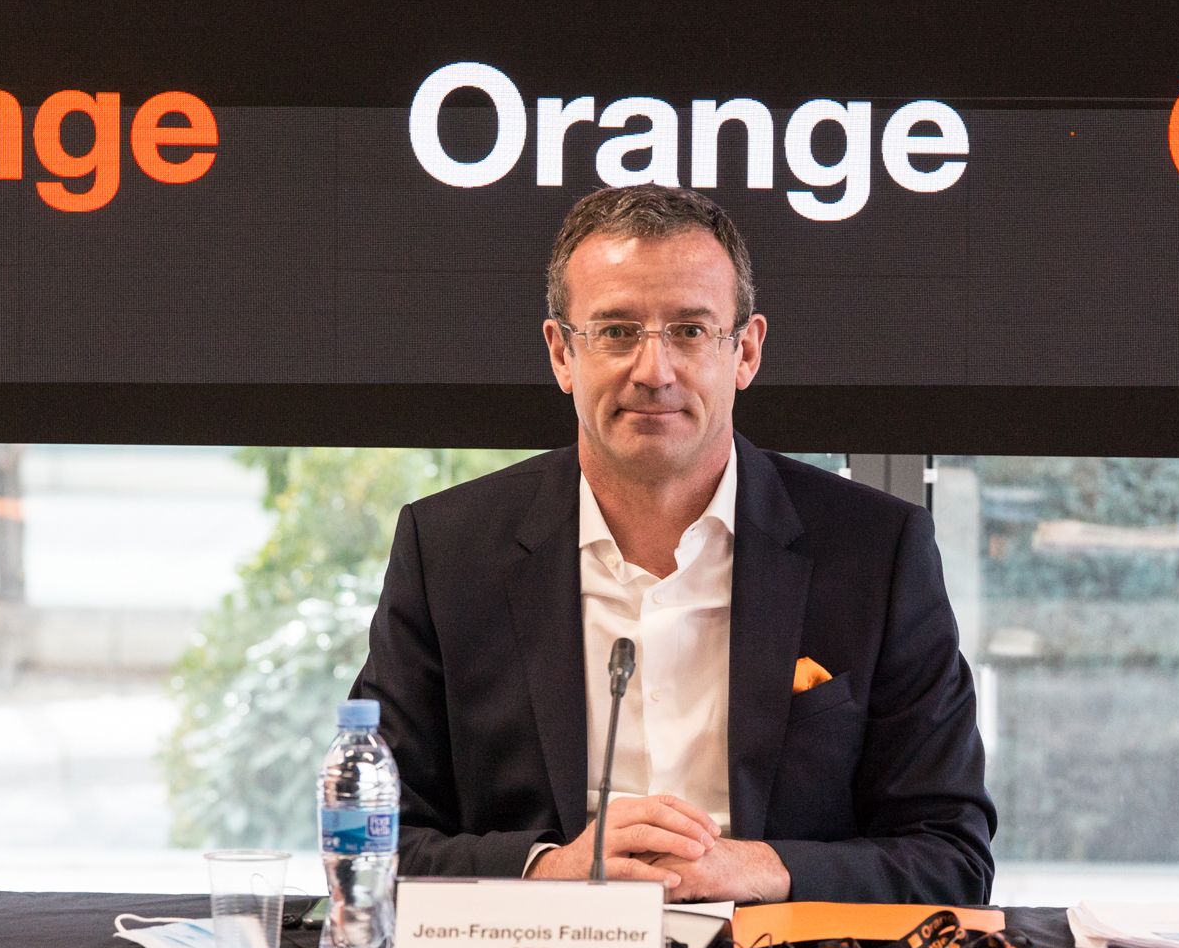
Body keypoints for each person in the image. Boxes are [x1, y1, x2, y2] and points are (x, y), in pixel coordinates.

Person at [351, 184, 995, 904]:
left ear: (745, 350)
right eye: (617, 331)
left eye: (690, 330)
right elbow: (368, 840)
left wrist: (763, 868)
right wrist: (547, 869)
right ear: (562, 353)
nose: (653, 371)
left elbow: (950, 855)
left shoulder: (877, 552)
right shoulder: (448, 552)